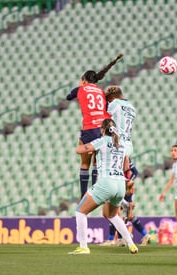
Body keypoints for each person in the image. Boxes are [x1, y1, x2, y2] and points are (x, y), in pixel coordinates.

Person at [68, 118, 138, 255]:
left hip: (106, 182)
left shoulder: (102, 141)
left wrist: (83, 142)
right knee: (111, 215)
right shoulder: (121, 144)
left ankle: (83, 247)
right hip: (120, 185)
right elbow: (125, 166)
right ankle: (132, 244)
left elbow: (80, 150)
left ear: (102, 130)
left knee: (80, 211)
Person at [100, 86, 151, 246]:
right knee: (121, 174)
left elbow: (101, 110)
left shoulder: (114, 104)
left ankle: (124, 204)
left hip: (119, 142)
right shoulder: (132, 108)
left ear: (113, 97)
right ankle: (122, 236)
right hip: (128, 143)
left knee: (110, 185)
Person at [66, 70, 110, 198]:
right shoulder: (101, 91)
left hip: (90, 128)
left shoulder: (81, 88)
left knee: (85, 163)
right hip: (103, 129)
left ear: (84, 80)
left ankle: (84, 195)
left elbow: (68, 97)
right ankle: (95, 192)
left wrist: (80, 88)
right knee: (97, 163)